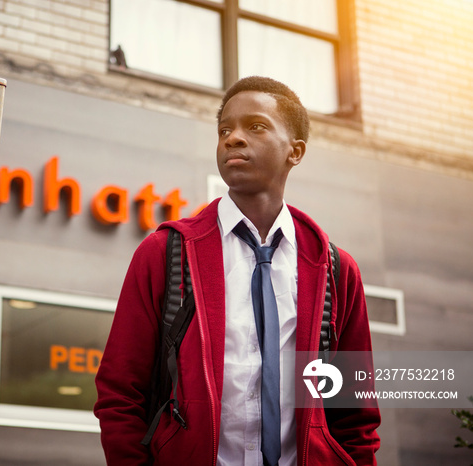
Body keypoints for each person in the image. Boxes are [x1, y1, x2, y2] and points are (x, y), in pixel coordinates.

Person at [94, 76, 380, 466]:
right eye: (224, 129)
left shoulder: (336, 270)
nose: (233, 138)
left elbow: (356, 415)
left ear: (295, 151)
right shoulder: (164, 252)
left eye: (256, 127)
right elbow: (120, 394)